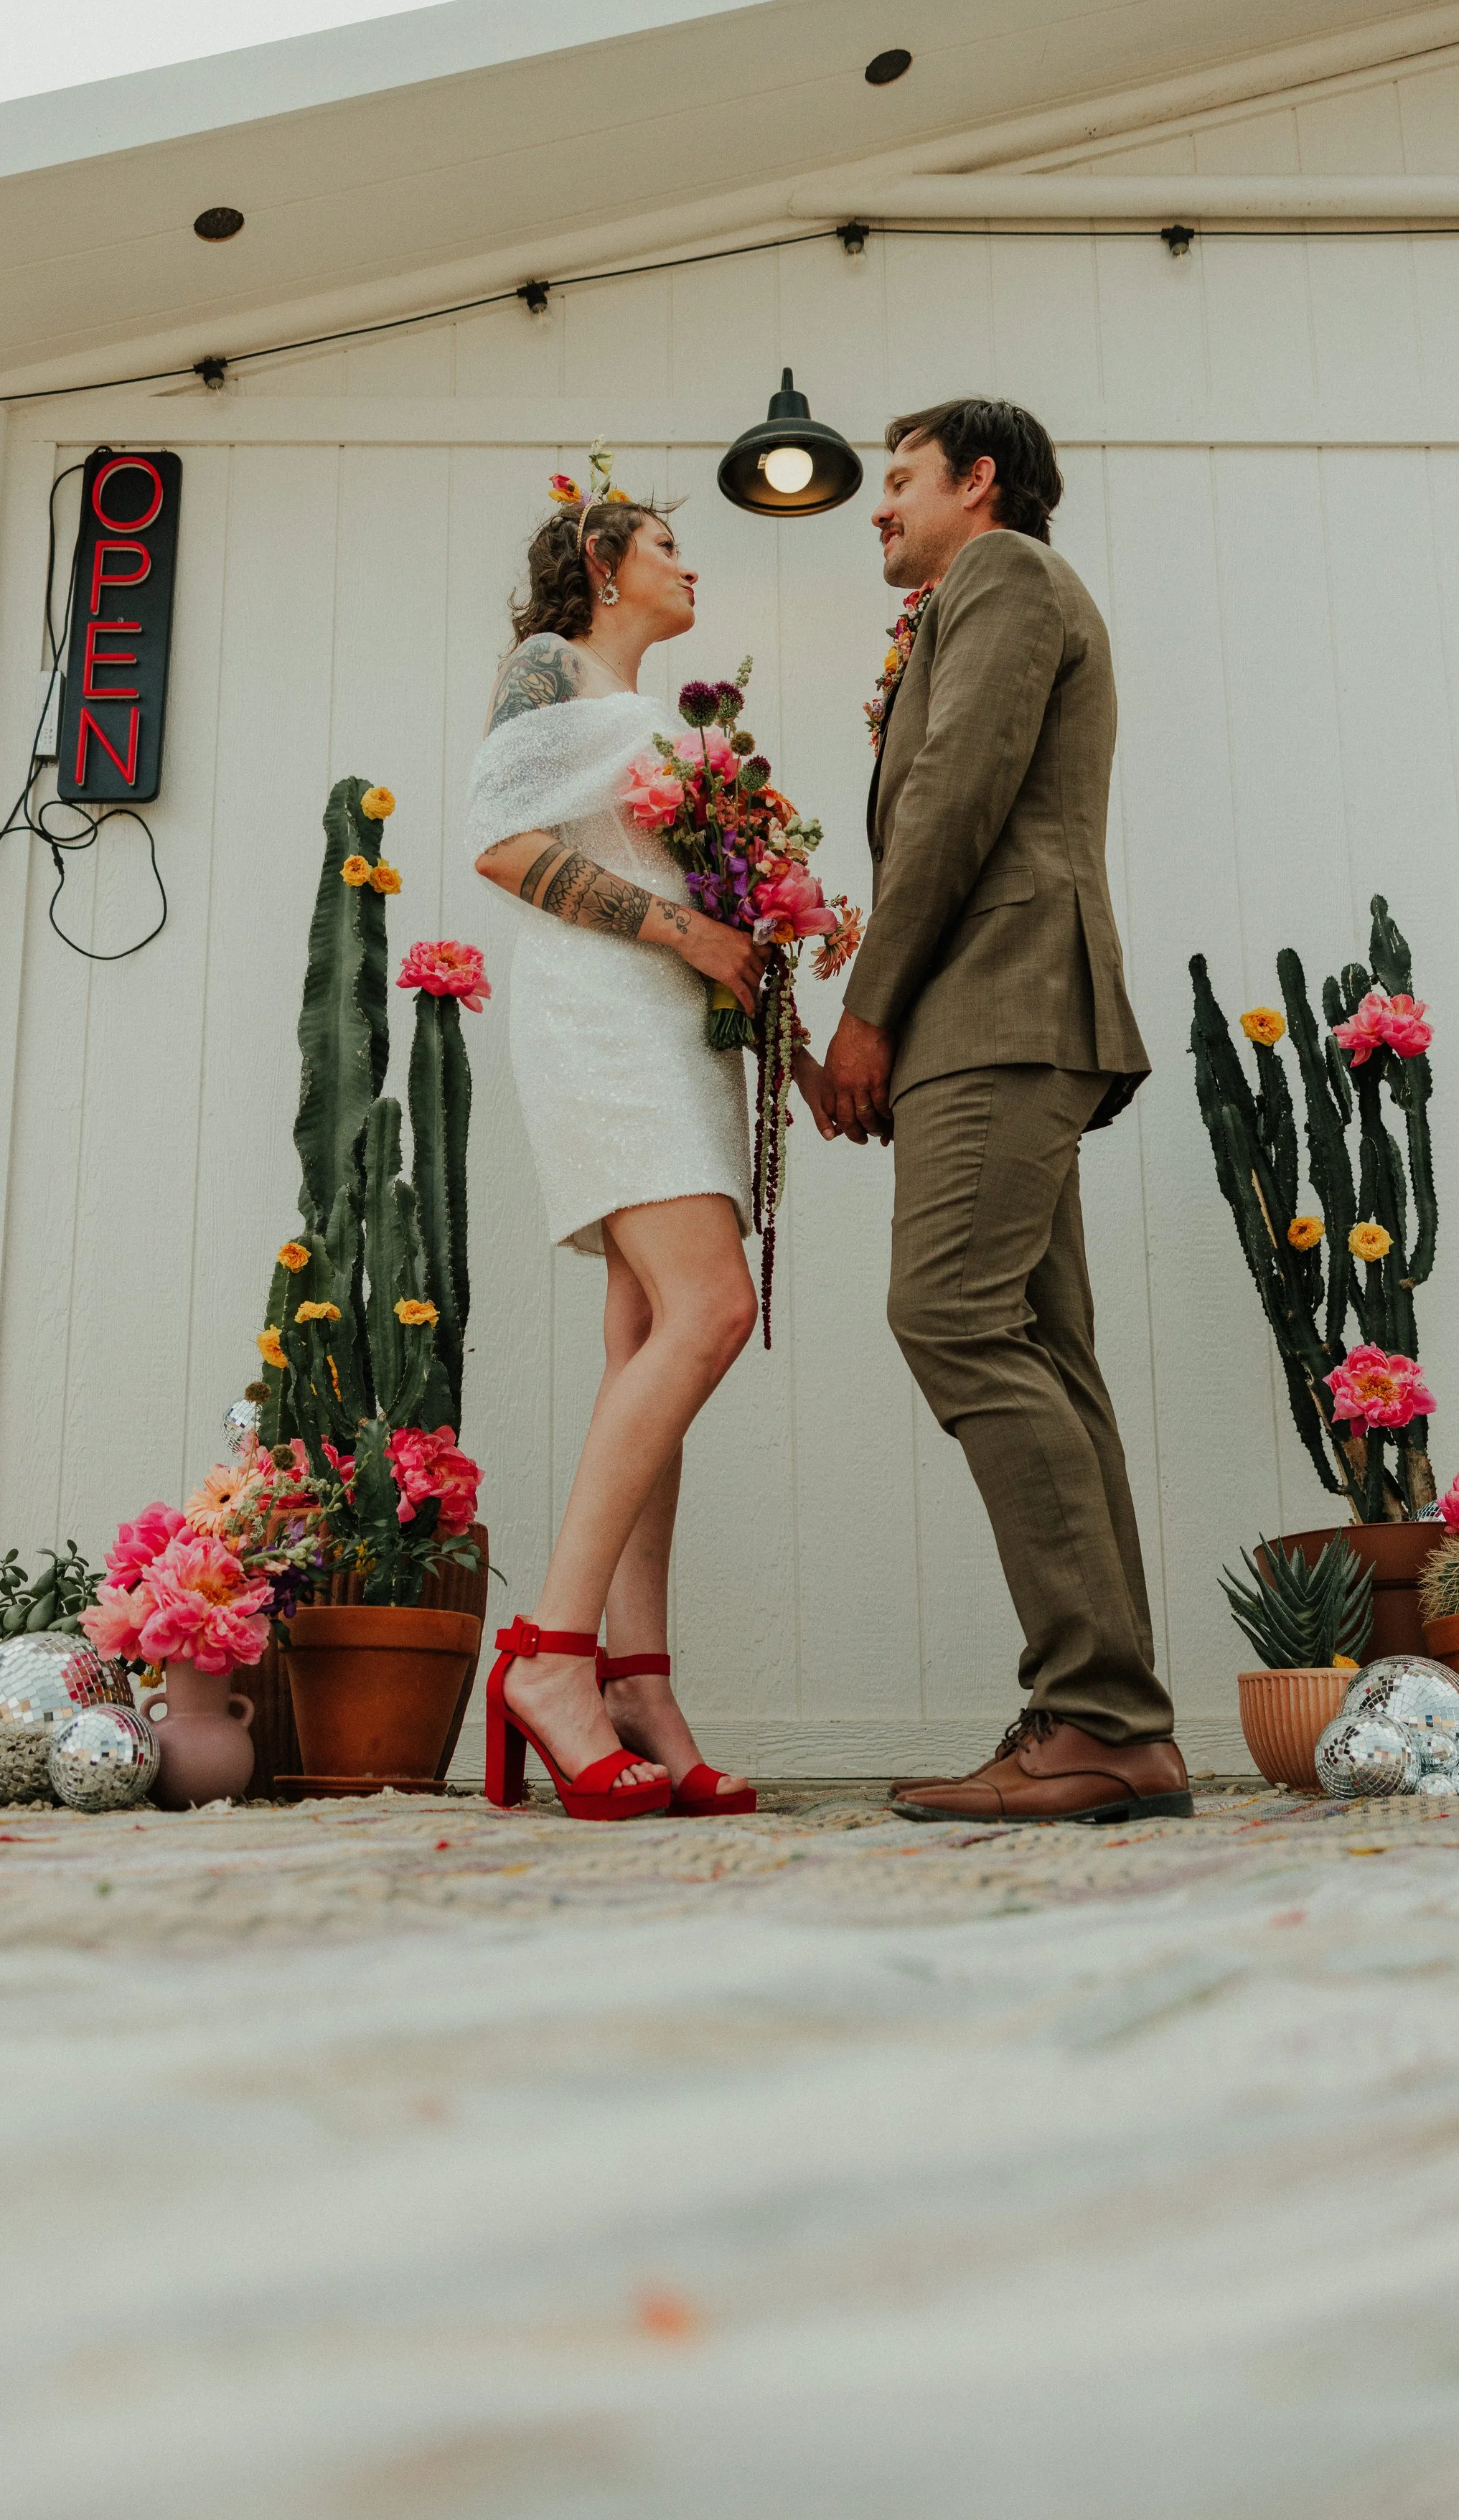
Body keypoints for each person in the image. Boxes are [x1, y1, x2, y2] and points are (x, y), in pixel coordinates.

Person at [822, 399, 1191, 1825]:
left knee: (953, 1317)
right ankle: (1108, 1723)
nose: (878, 503)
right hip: (992, 1015)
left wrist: (870, 1005)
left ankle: (1094, 1712)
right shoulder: (969, 599)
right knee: (1040, 1343)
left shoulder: (1003, 576)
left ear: (979, 482)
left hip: (1002, 1004)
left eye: (899, 477)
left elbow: (955, 797)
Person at [466, 482, 831, 1820]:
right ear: (603, 564)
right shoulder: (549, 669)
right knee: (711, 1310)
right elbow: (498, 845)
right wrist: (686, 938)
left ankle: (638, 1678)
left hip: (684, 1037)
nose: (694, 569)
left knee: (648, 1347)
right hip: (603, 1023)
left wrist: (796, 1053)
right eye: (671, 546)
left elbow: (717, 920)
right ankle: (552, 1657)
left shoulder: (674, 732)